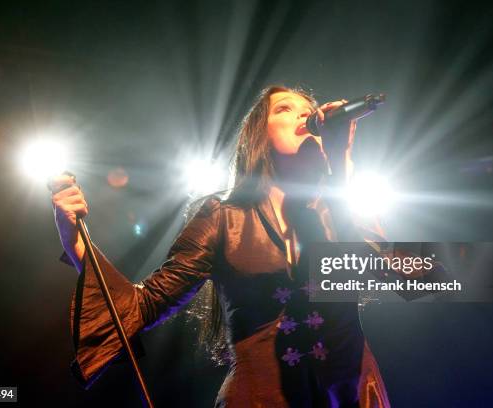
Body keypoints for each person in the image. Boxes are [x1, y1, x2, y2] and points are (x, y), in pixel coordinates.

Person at [50, 85, 391, 407]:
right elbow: (143, 306)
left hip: (351, 394)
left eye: (309, 110)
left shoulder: (338, 207)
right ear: (258, 134)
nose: (306, 115)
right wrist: (75, 240)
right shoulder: (223, 217)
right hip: (260, 398)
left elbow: (409, 276)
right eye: (286, 109)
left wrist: (342, 162)